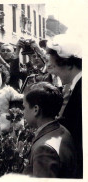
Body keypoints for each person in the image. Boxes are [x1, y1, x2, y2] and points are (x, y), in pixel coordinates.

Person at [46, 34, 82, 178]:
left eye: (54, 66)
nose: (53, 71)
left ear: (68, 64)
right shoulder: (77, 86)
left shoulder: (81, 90)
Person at [22, 82, 77, 178]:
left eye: (24, 107)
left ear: (36, 109)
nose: (23, 112)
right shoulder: (61, 129)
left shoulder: (44, 150)